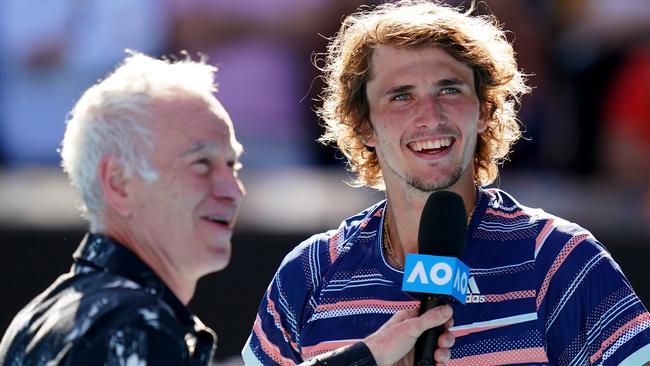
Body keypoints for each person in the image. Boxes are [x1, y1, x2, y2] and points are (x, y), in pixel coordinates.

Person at [243, 1, 650, 365]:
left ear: (485, 110)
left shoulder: (557, 258)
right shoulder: (311, 271)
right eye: (401, 96)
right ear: (363, 123)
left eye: (449, 90)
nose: (430, 116)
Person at [0, 52, 454, 365]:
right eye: (201, 164)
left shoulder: (38, 318)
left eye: (233, 164)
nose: (233, 190)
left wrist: (368, 355)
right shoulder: (134, 324)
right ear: (118, 182)